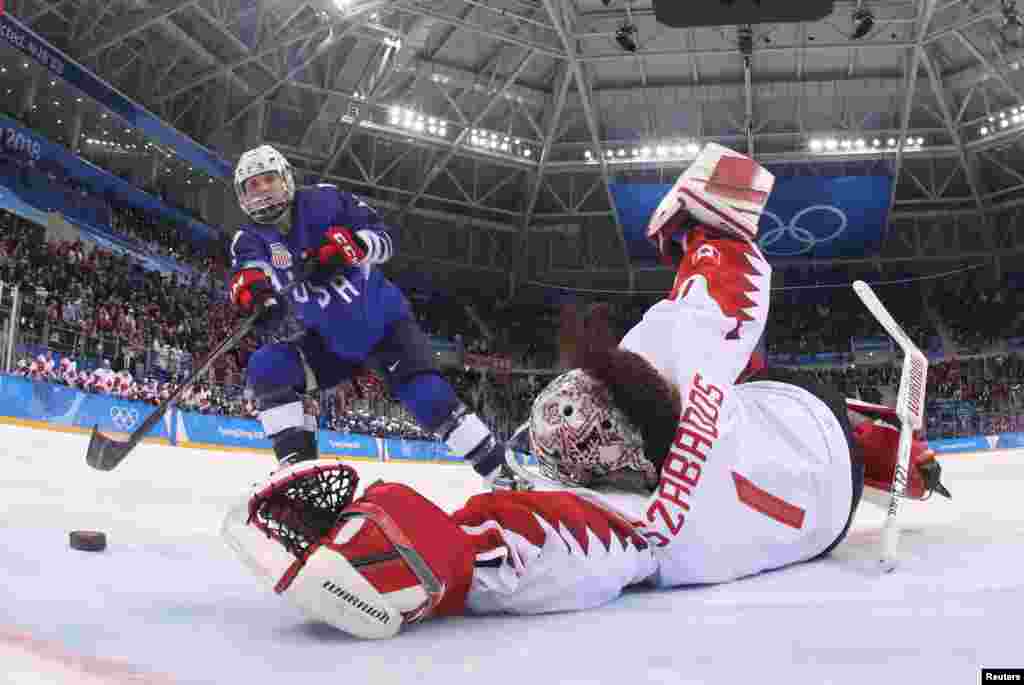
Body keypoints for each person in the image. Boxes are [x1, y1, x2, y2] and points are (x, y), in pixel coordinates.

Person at [222, 144, 950, 640]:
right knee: (757, 389)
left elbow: (521, 542)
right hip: (817, 447)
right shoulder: (664, 426)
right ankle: (295, 461)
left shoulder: (639, 525)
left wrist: (410, 554)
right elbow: (726, 294)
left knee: (431, 398)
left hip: (820, 473)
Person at [226, 144, 506, 477]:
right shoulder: (248, 237)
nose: (262, 191)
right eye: (252, 185)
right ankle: (298, 473)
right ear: (241, 195)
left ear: (286, 178)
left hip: (384, 326)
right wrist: (256, 296)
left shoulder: (325, 201)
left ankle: (500, 472)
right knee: (267, 366)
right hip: (330, 342)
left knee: (428, 399)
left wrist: (351, 248)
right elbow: (247, 274)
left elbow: (385, 239)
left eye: (268, 179)